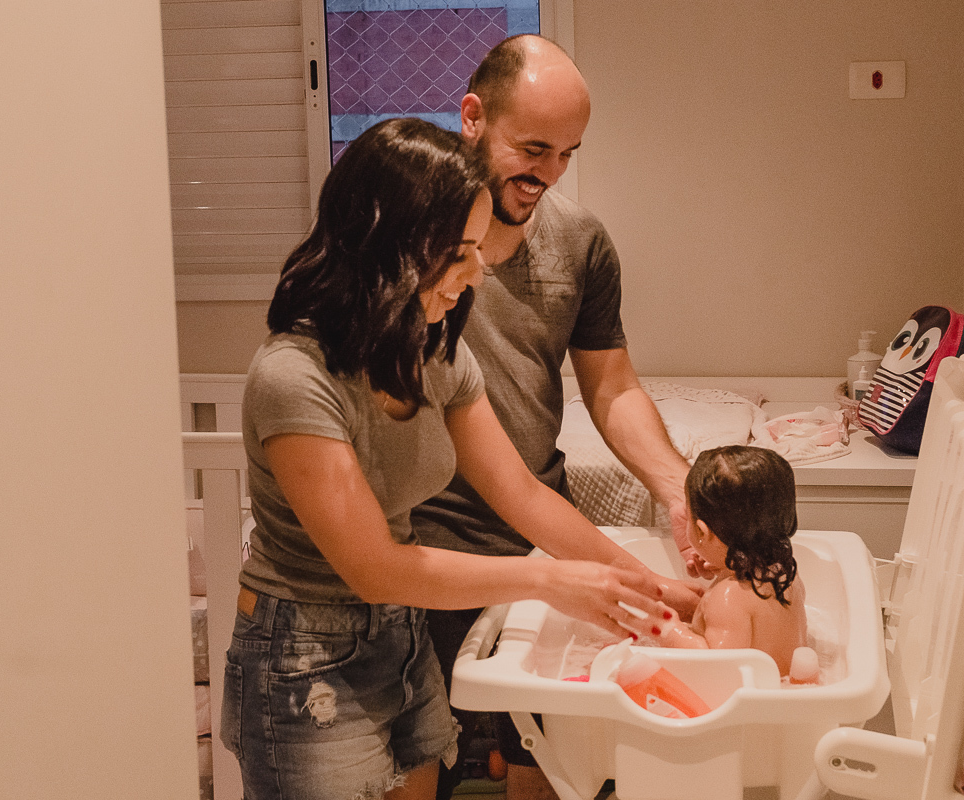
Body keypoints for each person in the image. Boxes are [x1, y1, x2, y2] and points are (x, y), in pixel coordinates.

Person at [220, 117, 697, 800]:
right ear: (389, 242)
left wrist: (646, 589)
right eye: (461, 251)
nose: (478, 272)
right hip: (303, 656)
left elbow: (521, 494)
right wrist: (546, 583)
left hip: (399, 637)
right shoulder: (294, 377)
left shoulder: (432, 349)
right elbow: (373, 567)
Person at [410, 35, 704, 800]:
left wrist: (678, 489)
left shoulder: (581, 242)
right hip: (425, 541)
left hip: (539, 526)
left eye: (568, 153)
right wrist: (636, 581)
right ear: (472, 117)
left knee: (556, 762)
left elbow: (611, 386)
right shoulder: (411, 245)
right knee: (416, 769)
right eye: (533, 148)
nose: (548, 174)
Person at [650, 445, 808, 676]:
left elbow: (717, 665)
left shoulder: (726, 599)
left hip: (745, 705)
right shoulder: (786, 575)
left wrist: (668, 628)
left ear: (701, 532)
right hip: (783, 690)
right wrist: (724, 565)